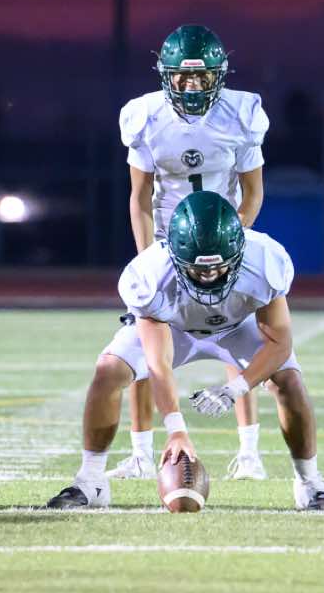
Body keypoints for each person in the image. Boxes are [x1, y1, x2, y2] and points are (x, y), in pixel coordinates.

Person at [46, 191, 324, 512]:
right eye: (198, 270)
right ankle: (91, 481)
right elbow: (158, 363)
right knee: (108, 370)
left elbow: (279, 344)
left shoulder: (265, 259)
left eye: (218, 267)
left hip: (237, 327)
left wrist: (235, 388)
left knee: (289, 380)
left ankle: (310, 484)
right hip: (175, 328)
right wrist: (176, 430)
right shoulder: (149, 273)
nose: (209, 277)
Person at [113, 25, 272, 482]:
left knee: (235, 336)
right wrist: (147, 261)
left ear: (218, 75)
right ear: (166, 75)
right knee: (142, 345)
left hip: (222, 243)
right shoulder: (146, 117)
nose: (191, 85)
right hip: (167, 244)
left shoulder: (241, 115)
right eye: (182, 76)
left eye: (201, 76)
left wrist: (230, 241)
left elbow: (253, 193)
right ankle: (141, 454)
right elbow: (140, 199)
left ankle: (249, 453)